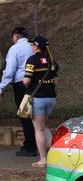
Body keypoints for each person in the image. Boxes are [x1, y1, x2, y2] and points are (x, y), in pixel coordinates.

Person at [0, 27, 36, 157]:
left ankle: (29, 147)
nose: (12, 39)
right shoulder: (33, 47)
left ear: (16, 36)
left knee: (25, 115)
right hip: (35, 84)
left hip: (21, 84)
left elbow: (9, 71)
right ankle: (35, 143)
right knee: (34, 115)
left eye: (12, 36)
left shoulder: (15, 49)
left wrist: (1, 87)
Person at [23, 36, 58, 168]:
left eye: (32, 45)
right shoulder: (52, 60)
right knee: (44, 127)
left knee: (38, 130)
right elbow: (56, 80)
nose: (31, 47)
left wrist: (25, 83)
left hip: (38, 98)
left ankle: (43, 160)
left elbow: (26, 80)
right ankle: (55, 156)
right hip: (51, 97)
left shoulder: (32, 60)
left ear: (37, 46)